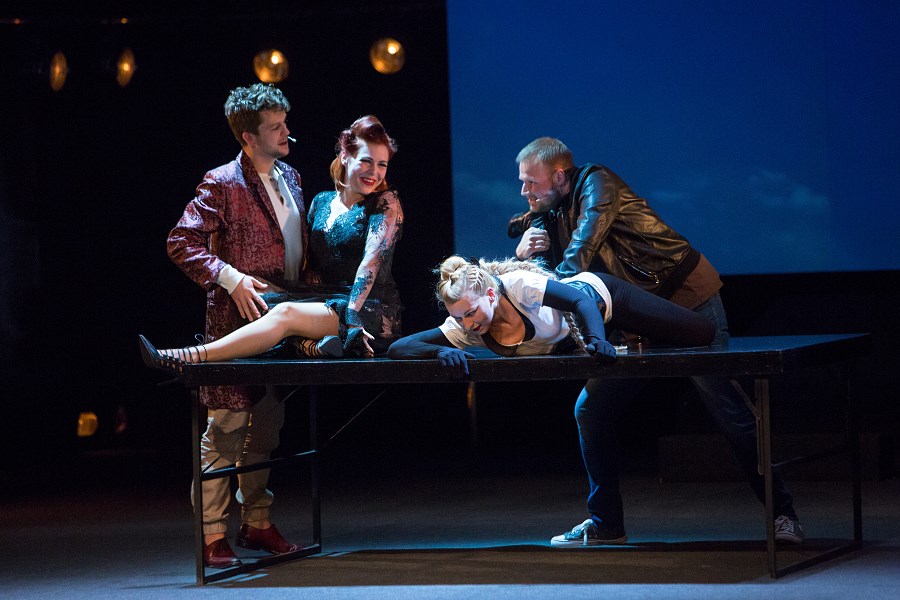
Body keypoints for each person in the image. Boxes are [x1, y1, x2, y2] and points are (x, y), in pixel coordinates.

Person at [507, 137, 804, 546]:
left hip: (687, 302)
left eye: (531, 182)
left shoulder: (597, 182)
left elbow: (581, 251)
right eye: (522, 183)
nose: (525, 191)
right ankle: (606, 524)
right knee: (591, 409)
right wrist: (523, 254)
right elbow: (549, 265)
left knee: (731, 413)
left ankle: (784, 515)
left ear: (559, 176)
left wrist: (544, 275)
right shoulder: (552, 212)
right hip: (638, 319)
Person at [164, 83, 306, 568]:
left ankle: (258, 522)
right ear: (249, 137)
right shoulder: (223, 181)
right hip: (235, 325)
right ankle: (212, 535)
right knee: (226, 430)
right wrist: (229, 277)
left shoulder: (291, 177)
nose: (287, 132)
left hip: (283, 325)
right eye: (275, 126)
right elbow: (181, 241)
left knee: (265, 429)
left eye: (285, 122)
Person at [143, 115, 403, 367]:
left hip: (368, 310)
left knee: (285, 313)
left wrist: (352, 318)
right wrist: (276, 290)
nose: (374, 172)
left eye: (382, 165)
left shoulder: (385, 202)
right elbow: (311, 269)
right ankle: (307, 344)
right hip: (330, 301)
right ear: (345, 156)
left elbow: (370, 264)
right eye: (367, 161)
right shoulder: (321, 202)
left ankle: (192, 356)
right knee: (261, 293)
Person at [386, 254, 714, 375]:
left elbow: (579, 301)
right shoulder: (466, 328)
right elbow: (399, 348)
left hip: (604, 300)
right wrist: (440, 351)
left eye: (471, 312)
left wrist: (596, 337)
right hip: (583, 339)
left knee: (701, 334)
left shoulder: (518, 286)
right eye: (460, 318)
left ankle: (633, 334)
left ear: (490, 295)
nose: (468, 324)